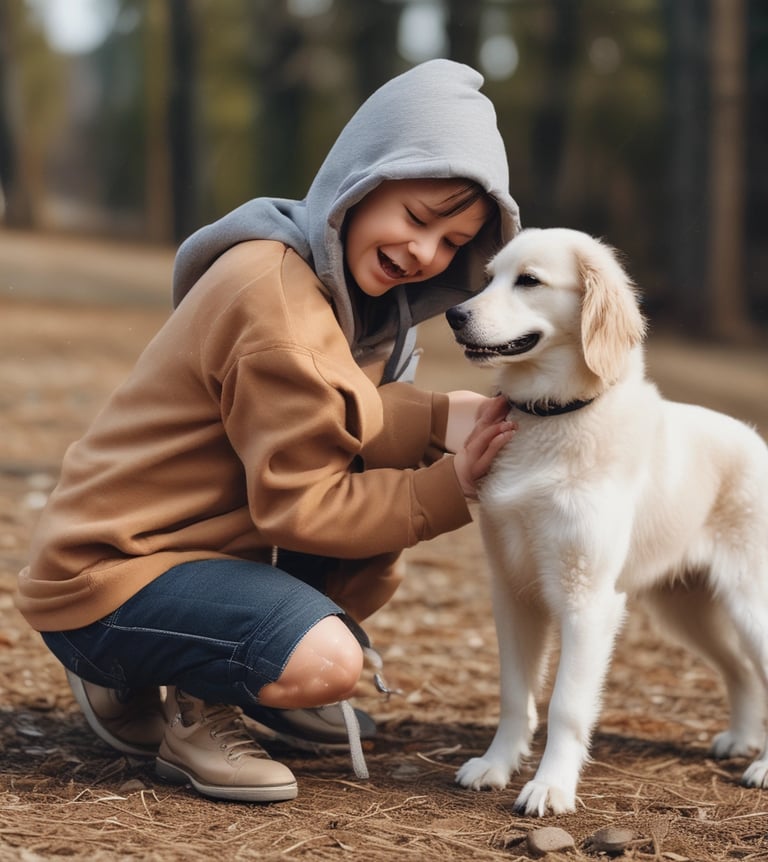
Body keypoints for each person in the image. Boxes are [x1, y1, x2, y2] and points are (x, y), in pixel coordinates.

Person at [15, 59, 520, 803]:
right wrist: (452, 486)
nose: (426, 254)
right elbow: (302, 506)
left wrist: (441, 416)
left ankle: (234, 659)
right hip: (113, 570)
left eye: (451, 243)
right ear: (362, 179)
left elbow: (341, 415)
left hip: (200, 551)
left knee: (371, 526)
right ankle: (183, 690)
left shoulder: (360, 307)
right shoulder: (276, 304)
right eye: (416, 219)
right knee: (329, 660)